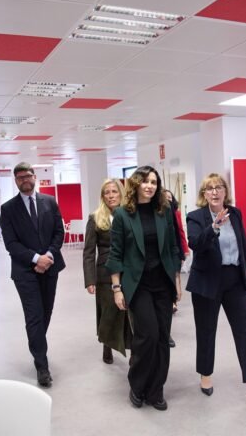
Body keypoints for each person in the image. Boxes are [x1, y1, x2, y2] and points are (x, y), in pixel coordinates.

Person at [186, 173, 246, 401]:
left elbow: (243, 245)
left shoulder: (235, 214)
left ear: (226, 191)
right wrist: (214, 227)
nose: (215, 192)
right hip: (207, 281)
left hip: (234, 278)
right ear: (204, 194)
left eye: (219, 187)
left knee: (244, 330)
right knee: (206, 330)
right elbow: (195, 244)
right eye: (210, 188)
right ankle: (205, 374)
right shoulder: (195, 217)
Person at [106, 166, 181, 411]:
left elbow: (173, 248)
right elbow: (115, 253)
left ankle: (156, 390)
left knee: (162, 338)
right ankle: (137, 385)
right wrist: (117, 288)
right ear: (136, 184)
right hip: (137, 285)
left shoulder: (164, 211)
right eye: (145, 181)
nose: (150, 186)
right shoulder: (122, 214)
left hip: (163, 283)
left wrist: (177, 282)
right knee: (147, 335)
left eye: (154, 182)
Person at [0, 162, 65, 388]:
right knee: (34, 316)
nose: (24, 180)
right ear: (16, 181)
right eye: (20, 177)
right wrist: (36, 259)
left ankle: (37, 344)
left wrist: (48, 256)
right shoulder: (8, 209)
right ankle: (42, 366)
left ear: (34, 177)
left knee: (45, 313)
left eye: (27, 176)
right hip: (25, 272)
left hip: (50, 267)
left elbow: (59, 232)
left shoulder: (50, 202)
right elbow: (11, 244)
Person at [82, 178, 132, 364]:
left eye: (114, 191)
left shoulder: (130, 215)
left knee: (128, 312)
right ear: (102, 196)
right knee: (108, 312)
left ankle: (132, 349)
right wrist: (90, 279)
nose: (111, 196)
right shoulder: (95, 218)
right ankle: (107, 345)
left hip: (128, 271)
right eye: (107, 192)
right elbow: (89, 251)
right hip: (104, 273)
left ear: (121, 193)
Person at [163, 189, 189, 347]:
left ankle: (174, 300)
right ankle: (172, 301)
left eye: (169, 197)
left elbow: (179, 232)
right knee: (172, 276)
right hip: (163, 254)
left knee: (176, 275)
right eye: (164, 197)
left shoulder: (176, 213)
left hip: (175, 250)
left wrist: (183, 249)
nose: (167, 199)